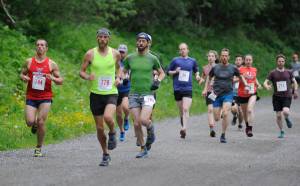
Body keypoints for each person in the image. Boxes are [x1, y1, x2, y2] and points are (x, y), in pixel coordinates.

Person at [79, 28, 121, 166]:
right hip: (96, 94)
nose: (102, 39)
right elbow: (82, 71)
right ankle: (105, 154)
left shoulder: (115, 53)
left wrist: (119, 78)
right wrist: (87, 76)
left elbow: (119, 69)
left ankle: (113, 133)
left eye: (105, 37)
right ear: (97, 38)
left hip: (111, 92)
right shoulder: (90, 54)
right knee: (99, 128)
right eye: (100, 37)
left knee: (108, 117)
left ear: (108, 39)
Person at [123, 32, 165, 158]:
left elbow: (162, 73)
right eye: (139, 40)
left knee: (143, 120)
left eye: (143, 41)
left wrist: (157, 81)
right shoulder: (130, 58)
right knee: (136, 124)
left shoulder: (153, 58)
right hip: (133, 94)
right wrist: (123, 77)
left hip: (148, 94)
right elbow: (123, 71)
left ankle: (151, 130)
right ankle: (143, 148)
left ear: (148, 43)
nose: (140, 43)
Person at [20, 39, 63, 157]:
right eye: (38, 45)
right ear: (35, 48)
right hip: (31, 96)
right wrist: (23, 77)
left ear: (46, 48)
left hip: (45, 97)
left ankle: (38, 148)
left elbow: (61, 81)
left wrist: (53, 78)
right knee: (29, 122)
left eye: (42, 45)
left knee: (41, 122)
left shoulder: (51, 64)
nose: (40, 47)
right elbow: (22, 73)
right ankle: (34, 125)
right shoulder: (29, 62)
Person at [203, 48, 246, 143]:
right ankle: (222, 113)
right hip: (216, 94)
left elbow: (240, 76)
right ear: (220, 56)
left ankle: (223, 134)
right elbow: (208, 78)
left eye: (226, 56)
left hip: (228, 94)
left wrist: (245, 85)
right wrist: (206, 89)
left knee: (226, 113)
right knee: (217, 118)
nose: (224, 57)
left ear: (229, 57)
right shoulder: (216, 68)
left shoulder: (233, 68)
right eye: (223, 55)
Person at [168, 43, 201, 139]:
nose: (182, 50)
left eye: (184, 49)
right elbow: (168, 72)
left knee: (185, 108)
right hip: (177, 88)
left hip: (188, 88)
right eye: (181, 49)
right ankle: (183, 124)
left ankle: (184, 128)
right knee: (181, 110)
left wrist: (198, 76)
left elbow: (196, 70)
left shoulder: (192, 61)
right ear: (179, 51)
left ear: (188, 50)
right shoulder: (175, 60)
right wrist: (175, 72)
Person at [263, 54, 298, 138]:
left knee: (285, 111)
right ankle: (281, 131)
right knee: (278, 115)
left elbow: (294, 82)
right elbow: (265, 82)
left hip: (287, 96)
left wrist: (295, 90)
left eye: (282, 61)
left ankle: (286, 118)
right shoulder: (273, 73)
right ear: (276, 62)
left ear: (284, 62)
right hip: (277, 97)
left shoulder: (289, 72)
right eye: (279, 61)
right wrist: (267, 86)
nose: (281, 63)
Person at [237, 54, 262, 137]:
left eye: (250, 60)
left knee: (250, 110)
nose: (248, 61)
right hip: (242, 94)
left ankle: (250, 128)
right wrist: (244, 81)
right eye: (247, 60)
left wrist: (258, 84)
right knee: (244, 114)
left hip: (252, 92)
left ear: (252, 61)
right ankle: (247, 126)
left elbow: (255, 78)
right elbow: (239, 78)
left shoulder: (254, 69)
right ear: (244, 61)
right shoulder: (240, 69)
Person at [201, 50, 218, 137]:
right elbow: (203, 78)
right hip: (209, 91)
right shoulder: (205, 68)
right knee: (210, 109)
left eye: (212, 56)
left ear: (215, 58)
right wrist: (200, 80)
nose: (210, 58)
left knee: (217, 114)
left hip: (218, 91)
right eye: (209, 56)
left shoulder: (220, 67)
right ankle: (212, 128)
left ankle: (220, 113)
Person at [116, 44, 130, 142]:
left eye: (123, 52)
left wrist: (126, 78)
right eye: (119, 51)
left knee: (125, 107)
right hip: (116, 90)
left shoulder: (129, 62)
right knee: (118, 114)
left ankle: (127, 118)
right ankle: (121, 131)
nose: (121, 54)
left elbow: (131, 74)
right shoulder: (114, 62)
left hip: (126, 89)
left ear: (126, 53)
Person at [231, 55, 244, 129]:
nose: (238, 61)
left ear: (242, 61)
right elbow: (230, 79)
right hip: (233, 92)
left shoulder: (245, 70)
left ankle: (240, 123)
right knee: (234, 108)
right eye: (237, 60)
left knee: (241, 111)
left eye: (240, 59)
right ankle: (235, 115)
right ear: (235, 61)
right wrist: (240, 79)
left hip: (242, 93)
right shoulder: (232, 69)